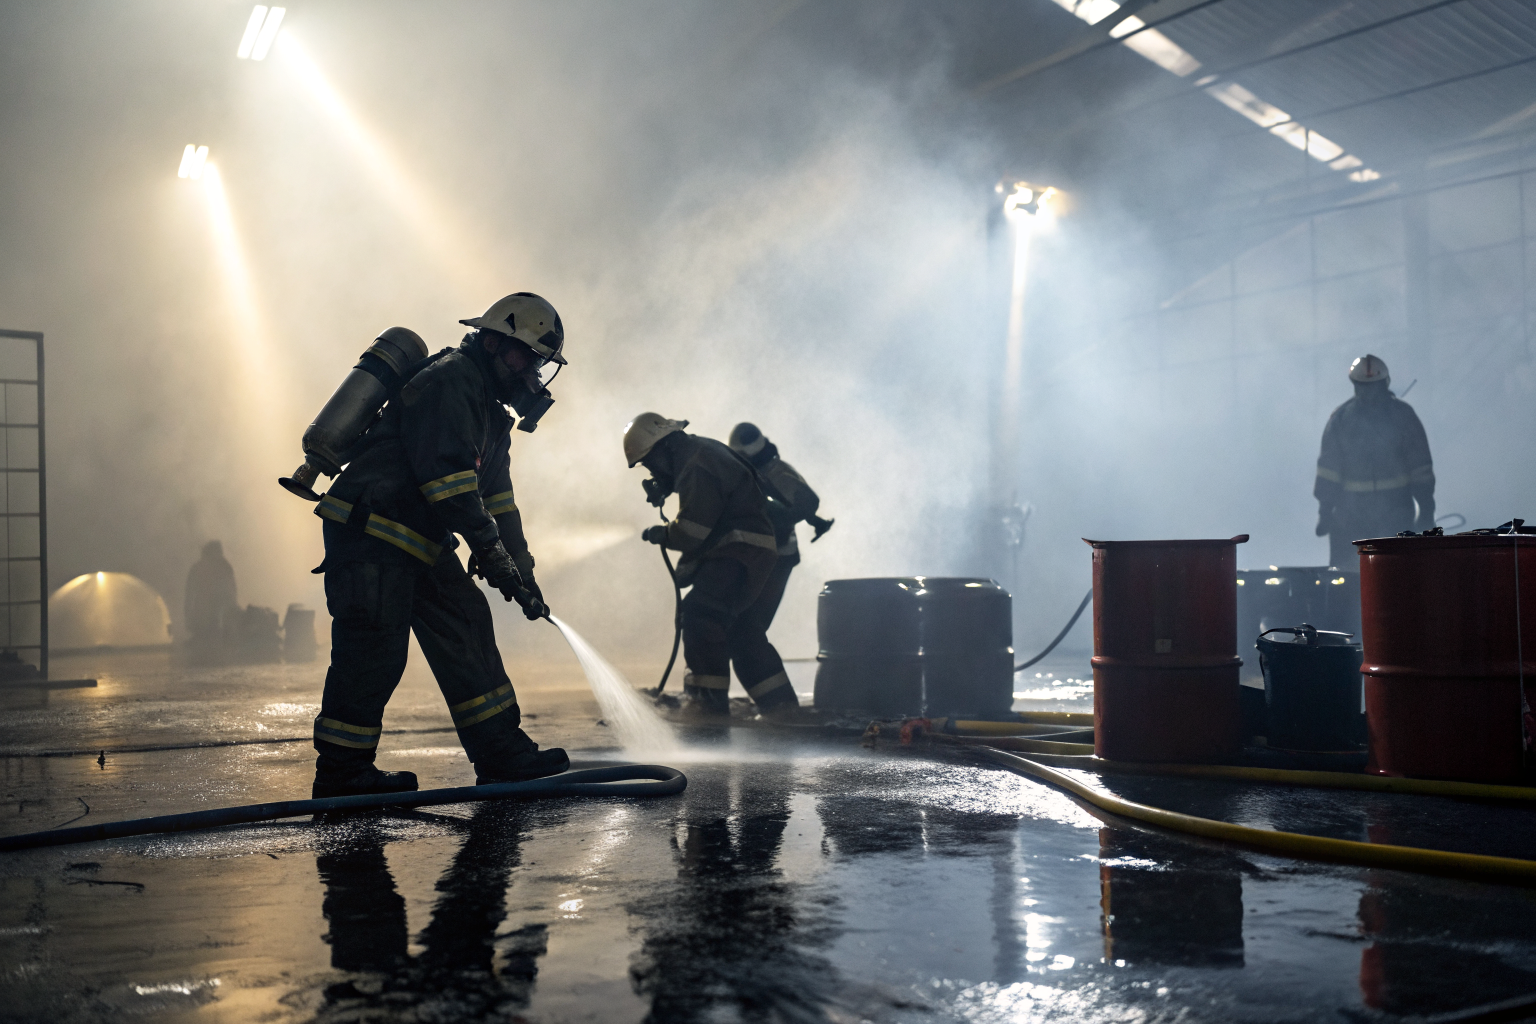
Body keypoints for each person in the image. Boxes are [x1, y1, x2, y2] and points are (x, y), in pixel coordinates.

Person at [309, 293, 569, 798]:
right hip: (373, 531)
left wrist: (522, 568)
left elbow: (499, 501)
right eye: (526, 357)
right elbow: (448, 482)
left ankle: (501, 753)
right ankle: (342, 772)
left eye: (539, 363)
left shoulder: (493, 417)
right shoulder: (453, 379)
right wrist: (489, 551)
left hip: (418, 541)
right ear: (494, 341)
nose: (531, 372)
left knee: (467, 624)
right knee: (374, 651)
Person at [623, 413, 796, 716]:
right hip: (750, 548)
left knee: (701, 616)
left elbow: (693, 530)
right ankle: (782, 709)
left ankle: (706, 707)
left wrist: (663, 533)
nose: (651, 471)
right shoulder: (700, 453)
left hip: (738, 548)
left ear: (666, 447)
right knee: (742, 630)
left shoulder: (696, 464)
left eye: (650, 462)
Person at [725, 422, 831, 703]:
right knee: (742, 631)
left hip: (776, 560)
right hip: (762, 559)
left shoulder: (776, 470)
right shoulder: (756, 473)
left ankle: (780, 706)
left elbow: (808, 500)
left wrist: (780, 519)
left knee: (747, 631)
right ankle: (775, 705)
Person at [1314, 354, 1435, 567]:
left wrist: (1426, 509)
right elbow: (1329, 469)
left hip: (1385, 513)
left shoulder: (1342, 418)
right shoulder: (1402, 415)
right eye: (1364, 386)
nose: (1368, 393)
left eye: (1372, 386)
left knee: (1390, 573)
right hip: (1365, 513)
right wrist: (1325, 512)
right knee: (1373, 572)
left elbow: (1420, 467)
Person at [184, 539, 240, 656]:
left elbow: (231, 590)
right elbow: (189, 593)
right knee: (207, 636)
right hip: (205, 611)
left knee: (212, 636)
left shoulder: (222, 567)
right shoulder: (222, 566)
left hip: (215, 611)